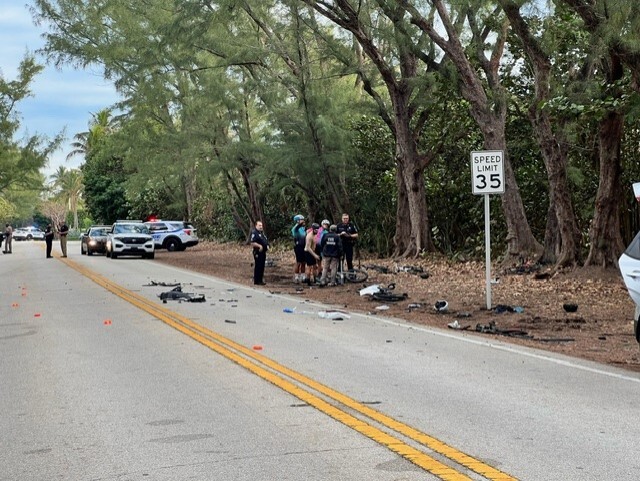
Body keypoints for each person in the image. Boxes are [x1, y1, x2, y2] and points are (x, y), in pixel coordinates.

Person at [249, 220, 269, 285]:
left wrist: (267, 245)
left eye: (261, 225)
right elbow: (252, 242)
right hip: (258, 252)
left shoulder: (261, 233)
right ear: (256, 226)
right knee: (258, 265)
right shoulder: (254, 233)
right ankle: (256, 280)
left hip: (263, 252)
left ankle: (260, 280)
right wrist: (259, 246)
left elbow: (265, 241)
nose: (261, 227)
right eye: (259, 225)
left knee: (262, 266)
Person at [291, 214, 307, 283]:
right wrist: (300, 223)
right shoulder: (295, 228)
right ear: (298, 221)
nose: (303, 221)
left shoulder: (303, 228)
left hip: (304, 246)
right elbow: (297, 227)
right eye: (301, 220)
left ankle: (303, 276)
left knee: (304, 262)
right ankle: (296, 276)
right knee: (298, 262)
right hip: (298, 246)